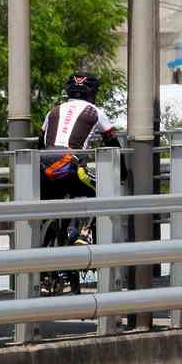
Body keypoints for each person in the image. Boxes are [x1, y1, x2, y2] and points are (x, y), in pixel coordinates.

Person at [38, 71, 120, 246]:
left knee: (49, 203)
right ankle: (84, 233)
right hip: (69, 164)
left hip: (43, 165)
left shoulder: (53, 111)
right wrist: (123, 171)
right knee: (103, 191)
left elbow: (40, 140)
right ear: (92, 93)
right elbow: (112, 142)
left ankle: (47, 239)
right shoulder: (95, 111)